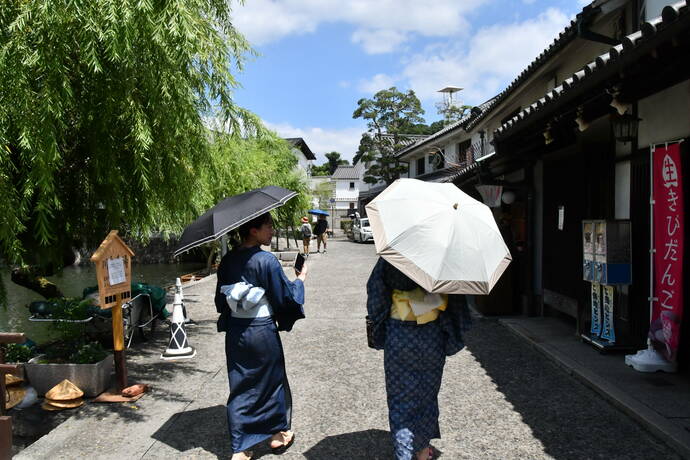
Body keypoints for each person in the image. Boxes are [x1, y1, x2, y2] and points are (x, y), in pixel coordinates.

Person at [214, 212, 307, 460]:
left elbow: (220, 302)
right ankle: (278, 435)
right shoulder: (266, 260)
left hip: (236, 331)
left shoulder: (227, 261)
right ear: (253, 231)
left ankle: (241, 448)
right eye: (268, 226)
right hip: (261, 329)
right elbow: (285, 297)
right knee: (272, 380)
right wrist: (300, 281)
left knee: (241, 384)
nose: (272, 231)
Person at [366, 258, 472, 460]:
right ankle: (423, 451)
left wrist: (380, 327)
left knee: (400, 400)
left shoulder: (393, 256)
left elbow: (376, 294)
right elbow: (457, 299)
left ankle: (404, 453)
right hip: (432, 336)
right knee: (427, 396)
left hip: (400, 335)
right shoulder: (444, 259)